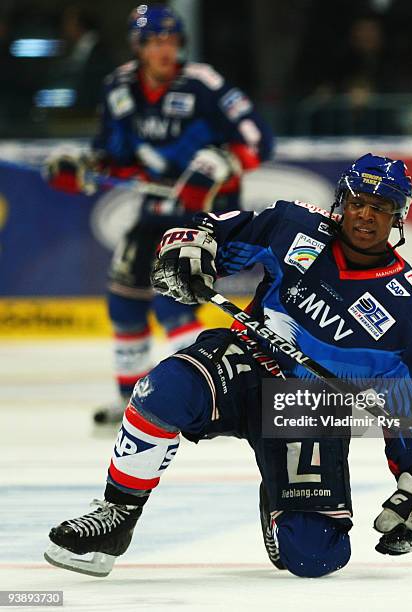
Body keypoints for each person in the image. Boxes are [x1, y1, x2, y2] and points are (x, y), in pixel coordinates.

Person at [44, 154, 412, 579]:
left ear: (398, 216)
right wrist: (190, 253)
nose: (365, 215)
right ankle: (117, 514)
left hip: (309, 408)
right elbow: (211, 231)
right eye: (356, 202)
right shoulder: (296, 226)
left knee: (315, 557)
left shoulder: (410, 310)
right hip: (244, 361)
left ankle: (277, 502)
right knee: (160, 392)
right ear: (341, 202)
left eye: (380, 207)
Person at [46, 4, 274, 424]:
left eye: (170, 39)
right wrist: (85, 168)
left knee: (174, 300)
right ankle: (133, 395)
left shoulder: (205, 84)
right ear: (139, 46)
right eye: (154, 41)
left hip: (205, 212)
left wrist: (217, 165)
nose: (164, 49)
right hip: (155, 208)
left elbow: (259, 140)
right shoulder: (118, 87)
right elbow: (114, 157)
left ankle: (199, 394)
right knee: (124, 295)